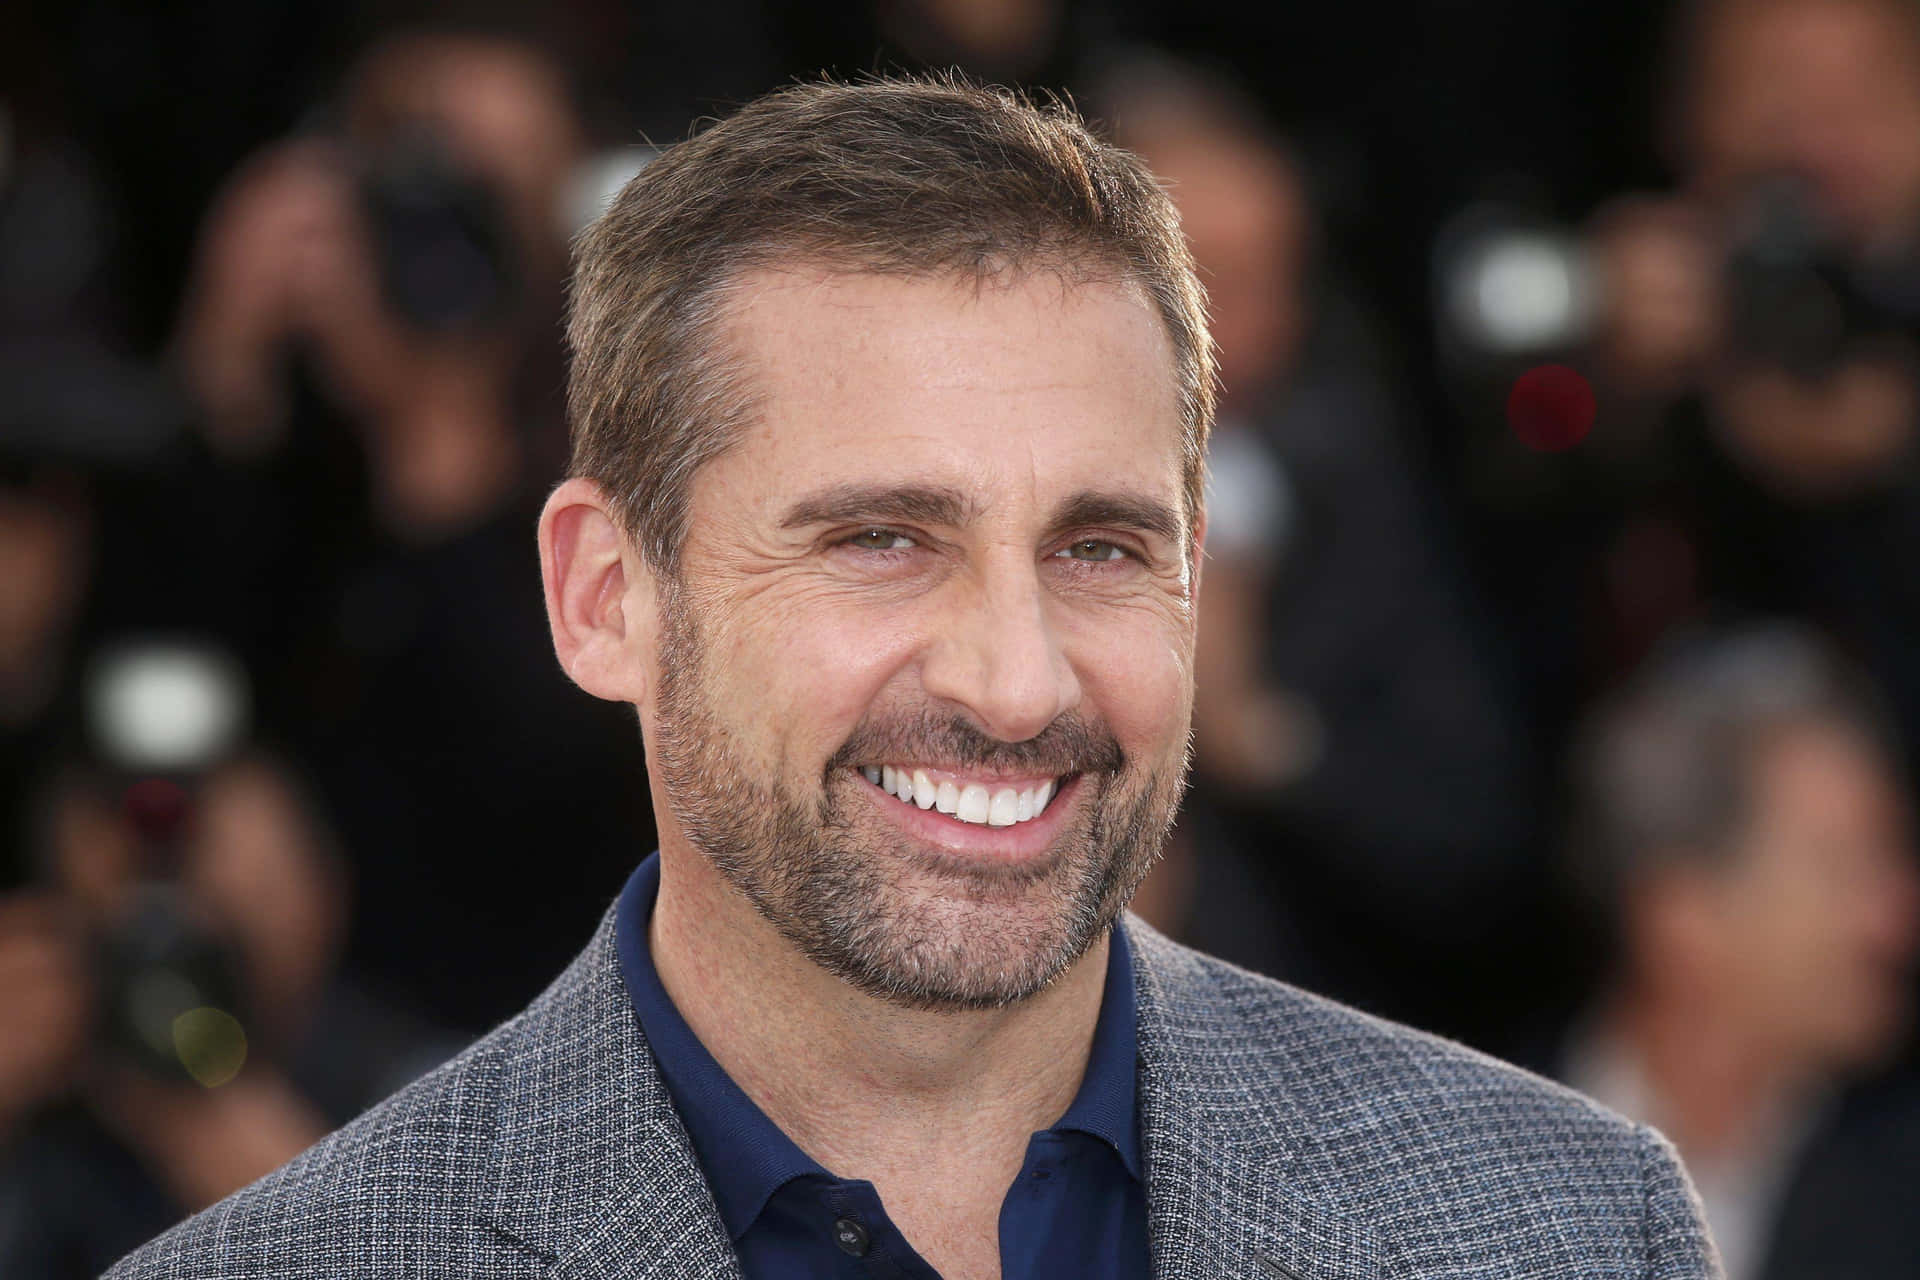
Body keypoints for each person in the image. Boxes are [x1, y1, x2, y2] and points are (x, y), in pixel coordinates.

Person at [109, 76, 1718, 1279]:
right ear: (607, 597)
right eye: (883, 539)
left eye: (1098, 547)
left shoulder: (1571, 1230)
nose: (1019, 683)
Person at [1562, 626, 1920, 1280]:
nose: (1897, 916)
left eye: (1891, 857)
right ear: (1684, 917)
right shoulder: (1438, 1159)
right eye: (1840, 869)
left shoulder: (1897, 1193)